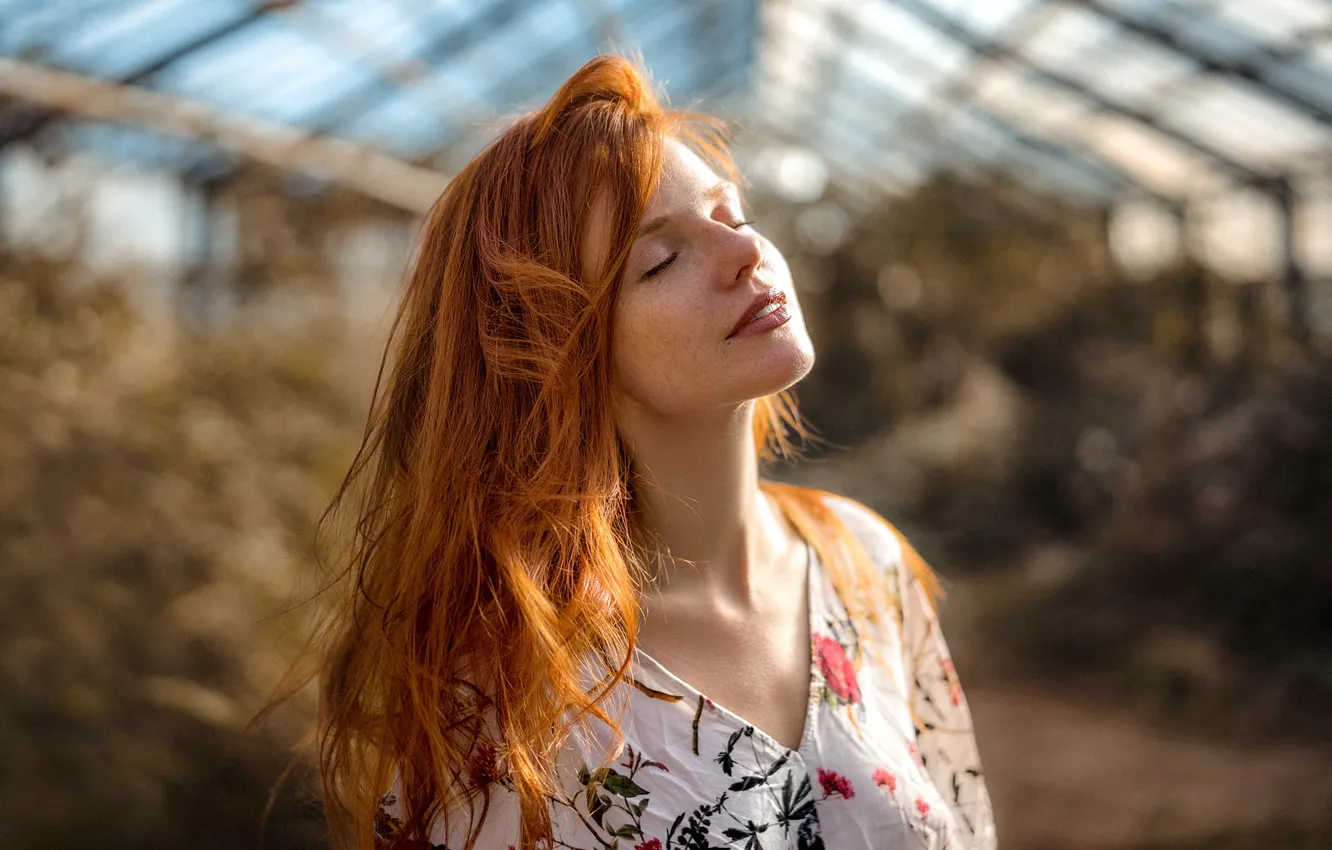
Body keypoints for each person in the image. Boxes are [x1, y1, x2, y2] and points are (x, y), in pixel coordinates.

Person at [306, 54, 997, 850]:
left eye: (733, 217)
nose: (746, 255)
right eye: (660, 260)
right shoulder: (514, 695)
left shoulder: (864, 563)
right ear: (555, 354)